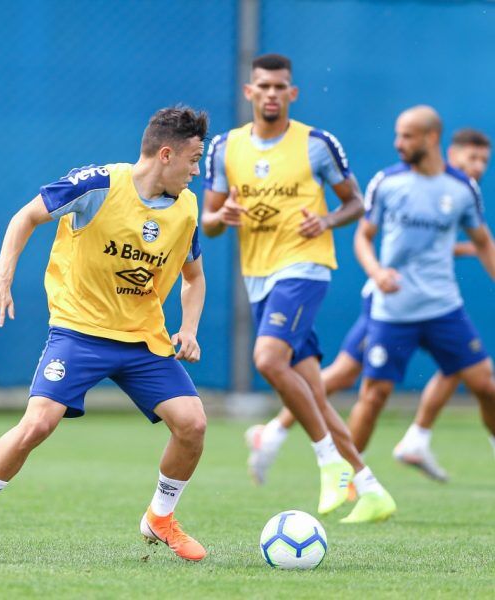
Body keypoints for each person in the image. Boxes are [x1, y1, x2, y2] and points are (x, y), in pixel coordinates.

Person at [0, 107, 209, 562]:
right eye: (193, 159)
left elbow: (194, 277)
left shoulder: (186, 208)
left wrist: (189, 329)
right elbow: (25, 217)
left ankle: (160, 517)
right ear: (166, 154)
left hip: (143, 339)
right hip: (79, 331)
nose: (197, 171)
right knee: (37, 424)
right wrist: (3, 277)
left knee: (193, 424)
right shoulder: (97, 185)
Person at [202, 53, 396, 523]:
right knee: (311, 393)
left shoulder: (317, 144)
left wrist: (326, 219)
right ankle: (371, 490)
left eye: (280, 86)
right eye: (263, 86)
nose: (272, 94)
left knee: (267, 359)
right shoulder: (225, 147)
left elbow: (356, 203)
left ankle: (330, 463)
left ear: (293, 93)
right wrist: (220, 217)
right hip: (259, 277)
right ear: (249, 92)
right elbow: (206, 222)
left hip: (305, 268)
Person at [247, 128, 493, 483]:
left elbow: (430, 246)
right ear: (448, 154)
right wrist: (382, 272)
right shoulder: (408, 183)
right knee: (351, 377)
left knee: (451, 368)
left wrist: (464, 249)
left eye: (485, 160)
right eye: (473, 158)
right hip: (385, 299)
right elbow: (397, 241)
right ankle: (277, 434)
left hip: (427, 301)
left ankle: (415, 438)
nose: (479, 166)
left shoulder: (460, 192)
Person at [349, 106, 495, 458]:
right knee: (373, 394)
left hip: (443, 307)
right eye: (398, 134)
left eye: (408, 135)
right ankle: (348, 480)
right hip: (393, 309)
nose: (399, 142)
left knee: (486, 387)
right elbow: (363, 237)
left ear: (431, 138)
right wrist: (376, 271)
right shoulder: (388, 182)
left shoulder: (462, 190)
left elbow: (482, 242)